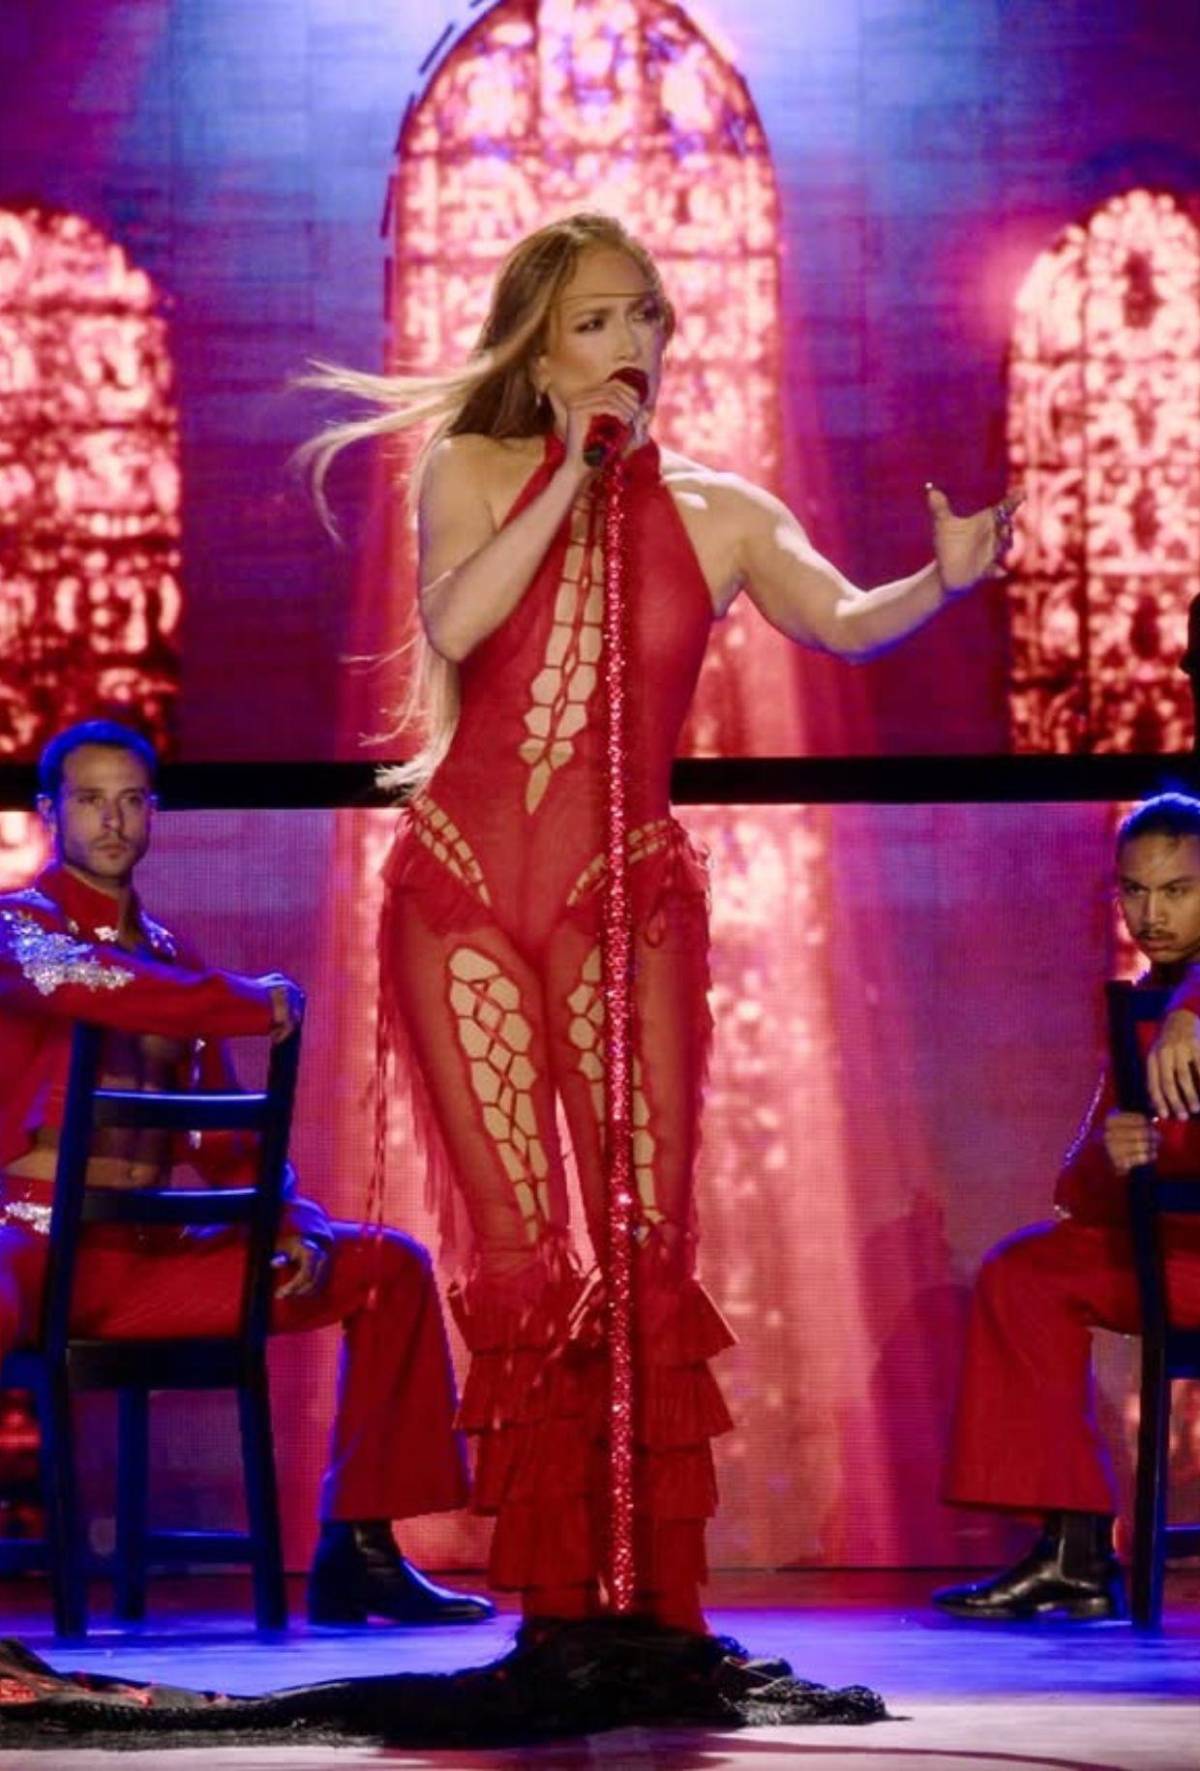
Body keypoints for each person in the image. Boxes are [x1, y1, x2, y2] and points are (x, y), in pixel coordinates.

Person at [304, 210, 1014, 1631]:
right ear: (538, 348)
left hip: (618, 896)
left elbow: (841, 621)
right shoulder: (472, 465)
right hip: (460, 891)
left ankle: (654, 1598)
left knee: (641, 1240)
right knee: (521, 1253)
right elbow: (455, 626)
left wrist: (941, 580)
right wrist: (570, 472)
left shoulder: (721, 508)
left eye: (645, 315)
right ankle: (559, 1603)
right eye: (595, 321)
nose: (630, 342)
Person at [0, 719, 493, 1627]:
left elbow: (221, 1141)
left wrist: (293, 1219)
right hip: (28, 1246)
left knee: (385, 1267)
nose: (112, 820)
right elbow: (93, 984)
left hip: (142, 1264)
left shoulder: (176, 959)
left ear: (153, 812)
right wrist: (244, 1000)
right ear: (49, 812)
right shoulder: (18, 927)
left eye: (131, 799)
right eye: (90, 800)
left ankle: (361, 1552)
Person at [935, 792, 1200, 1621]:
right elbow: (1077, 1193)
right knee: (1024, 1276)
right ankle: (1074, 1550)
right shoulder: (1141, 1002)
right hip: (1169, 1251)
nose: (1152, 914)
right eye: (1135, 891)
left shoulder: (1180, 1005)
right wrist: (1113, 1154)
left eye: (1178, 890)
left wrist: (1194, 1007)